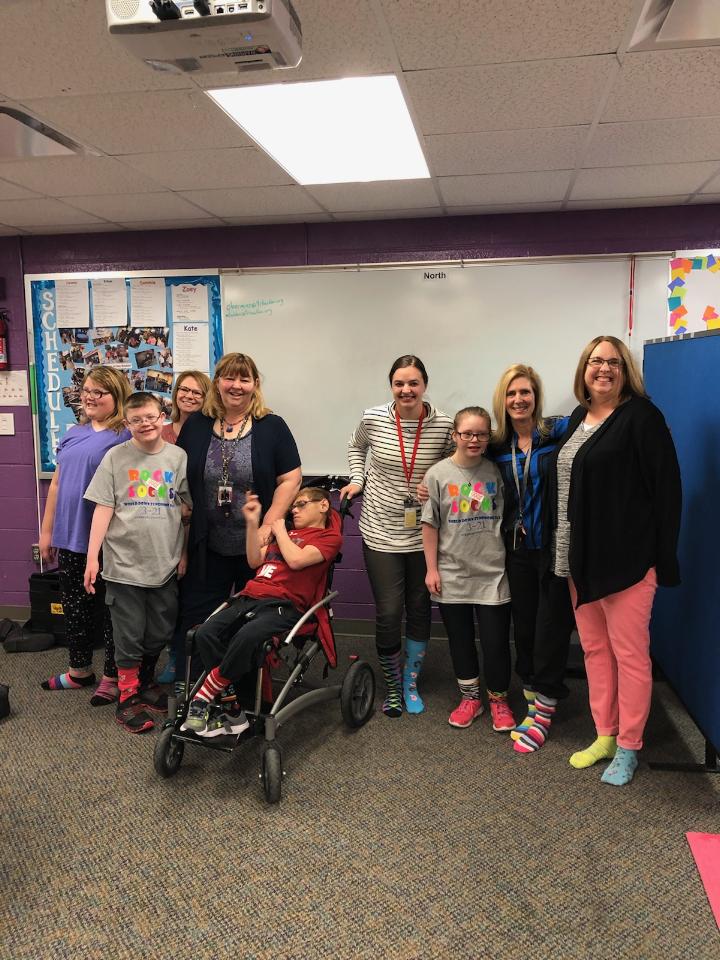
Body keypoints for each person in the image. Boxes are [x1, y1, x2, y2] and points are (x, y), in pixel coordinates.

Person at [547, 335, 681, 786]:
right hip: (578, 562)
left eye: (613, 362)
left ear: (626, 370)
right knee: (594, 651)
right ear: (584, 369)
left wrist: (662, 559)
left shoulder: (643, 419)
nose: (603, 369)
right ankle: (604, 734)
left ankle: (629, 746)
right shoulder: (577, 419)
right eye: (595, 361)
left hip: (626, 564)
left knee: (631, 656)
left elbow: (667, 492)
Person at [175, 353, 302, 686]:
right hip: (208, 543)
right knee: (197, 619)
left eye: (244, 379)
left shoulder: (271, 426)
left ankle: (245, 694)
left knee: (250, 623)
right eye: (229, 378)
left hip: (255, 548)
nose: (236, 385)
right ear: (217, 382)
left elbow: (291, 479)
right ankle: (196, 691)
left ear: (255, 385)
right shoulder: (198, 425)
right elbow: (181, 475)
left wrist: (267, 525)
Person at [340, 355, 454, 718]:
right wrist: (358, 479)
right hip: (380, 528)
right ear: (392, 386)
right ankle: (392, 685)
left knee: (420, 608)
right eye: (399, 383)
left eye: (413, 383)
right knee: (389, 612)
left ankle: (410, 683)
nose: (406, 390)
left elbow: (457, 466)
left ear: (424, 385)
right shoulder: (373, 418)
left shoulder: (443, 424)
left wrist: (436, 486)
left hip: (425, 533)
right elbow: (355, 446)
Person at [181, 487, 341, 737]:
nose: (294, 510)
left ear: (323, 506)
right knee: (205, 633)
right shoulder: (286, 534)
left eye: (301, 504)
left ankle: (203, 697)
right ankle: (233, 708)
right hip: (250, 596)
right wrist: (253, 523)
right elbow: (254, 561)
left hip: (284, 604)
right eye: (293, 507)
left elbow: (297, 560)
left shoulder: (329, 538)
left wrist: (279, 531)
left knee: (247, 636)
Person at [83, 392, 192, 733]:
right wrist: (91, 558)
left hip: (164, 562)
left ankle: (145, 684)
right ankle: (127, 697)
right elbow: (103, 508)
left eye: (150, 416)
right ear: (127, 424)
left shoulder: (178, 457)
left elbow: (184, 510)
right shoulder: (116, 457)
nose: (145, 424)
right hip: (124, 565)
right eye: (136, 420)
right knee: (128, 634)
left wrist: (183, 552)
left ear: (163, 416)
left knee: (159, 630)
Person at [488, 364, 575, 754]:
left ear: (536, 397)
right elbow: (460, 458)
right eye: (511, 393)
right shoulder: (496, 445)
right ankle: (530, 701)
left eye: (525, 392)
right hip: (517, 550)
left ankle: (546, 709)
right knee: (523, 627)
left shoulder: (556, 432)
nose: (519, 399)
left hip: (553, 548)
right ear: (502, 401)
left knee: (550, 627)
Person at [39, 366, 131, 703]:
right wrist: (46, 532)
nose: (90, 397)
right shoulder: (73, 432)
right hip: (69, 535)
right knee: (74, 606)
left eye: (99, 392)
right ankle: (79, 670)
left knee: (110, 610)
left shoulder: (124, 436)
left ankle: (111, 675)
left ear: (116, 397)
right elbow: (58, 484)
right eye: (87, 390)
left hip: (105, 539)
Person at [422, 407, 514, 730]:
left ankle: (499, 701)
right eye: (467, 433)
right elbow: (429, 525)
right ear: (455, 435)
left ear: (489, 437)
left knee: (496, 642)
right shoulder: (436, 475)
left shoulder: (497, 472)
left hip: (492, 572)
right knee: (460, 640)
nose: (474, 440)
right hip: (452, 573)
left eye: (481, 434)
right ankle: (471, 698)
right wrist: (431, 569)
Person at [156, 370, 212, 683]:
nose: (189, 396)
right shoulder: (160, 432)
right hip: (160, 525)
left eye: (197, 393)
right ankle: (168, 656)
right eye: (184, 390)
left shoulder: (211, 431)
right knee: (164, 600)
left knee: (188, 597)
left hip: (192, 525)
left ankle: (182, 660)